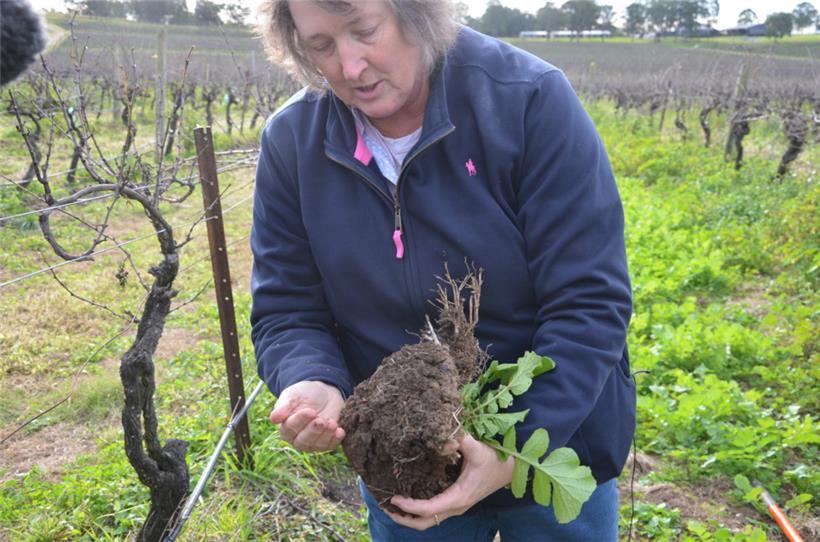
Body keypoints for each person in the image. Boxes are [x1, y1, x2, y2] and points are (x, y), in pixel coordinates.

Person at [251, 1, 635, 540]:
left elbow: (588, 299)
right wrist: (311, 377)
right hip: (406, 463)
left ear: (416, 12)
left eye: (364, 31)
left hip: (553, 444)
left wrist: (514, 448)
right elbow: (287, 306)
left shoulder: (528, 101)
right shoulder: (294, 141)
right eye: (321, 45)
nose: (350, 67)